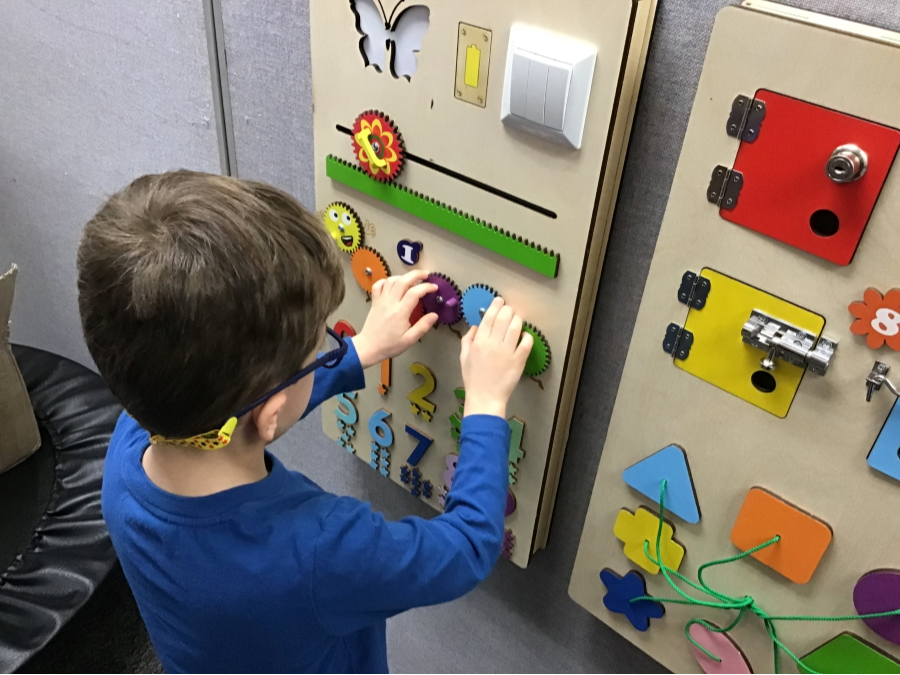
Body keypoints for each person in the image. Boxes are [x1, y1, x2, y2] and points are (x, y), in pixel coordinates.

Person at [76, 171, 533, 674]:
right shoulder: (322, 550)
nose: (325, 349)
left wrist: (359, 353)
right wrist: (487, 402)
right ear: (270, 415)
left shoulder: (131, 444)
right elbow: (468, 545)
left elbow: (240, 412)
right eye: (320, 350)